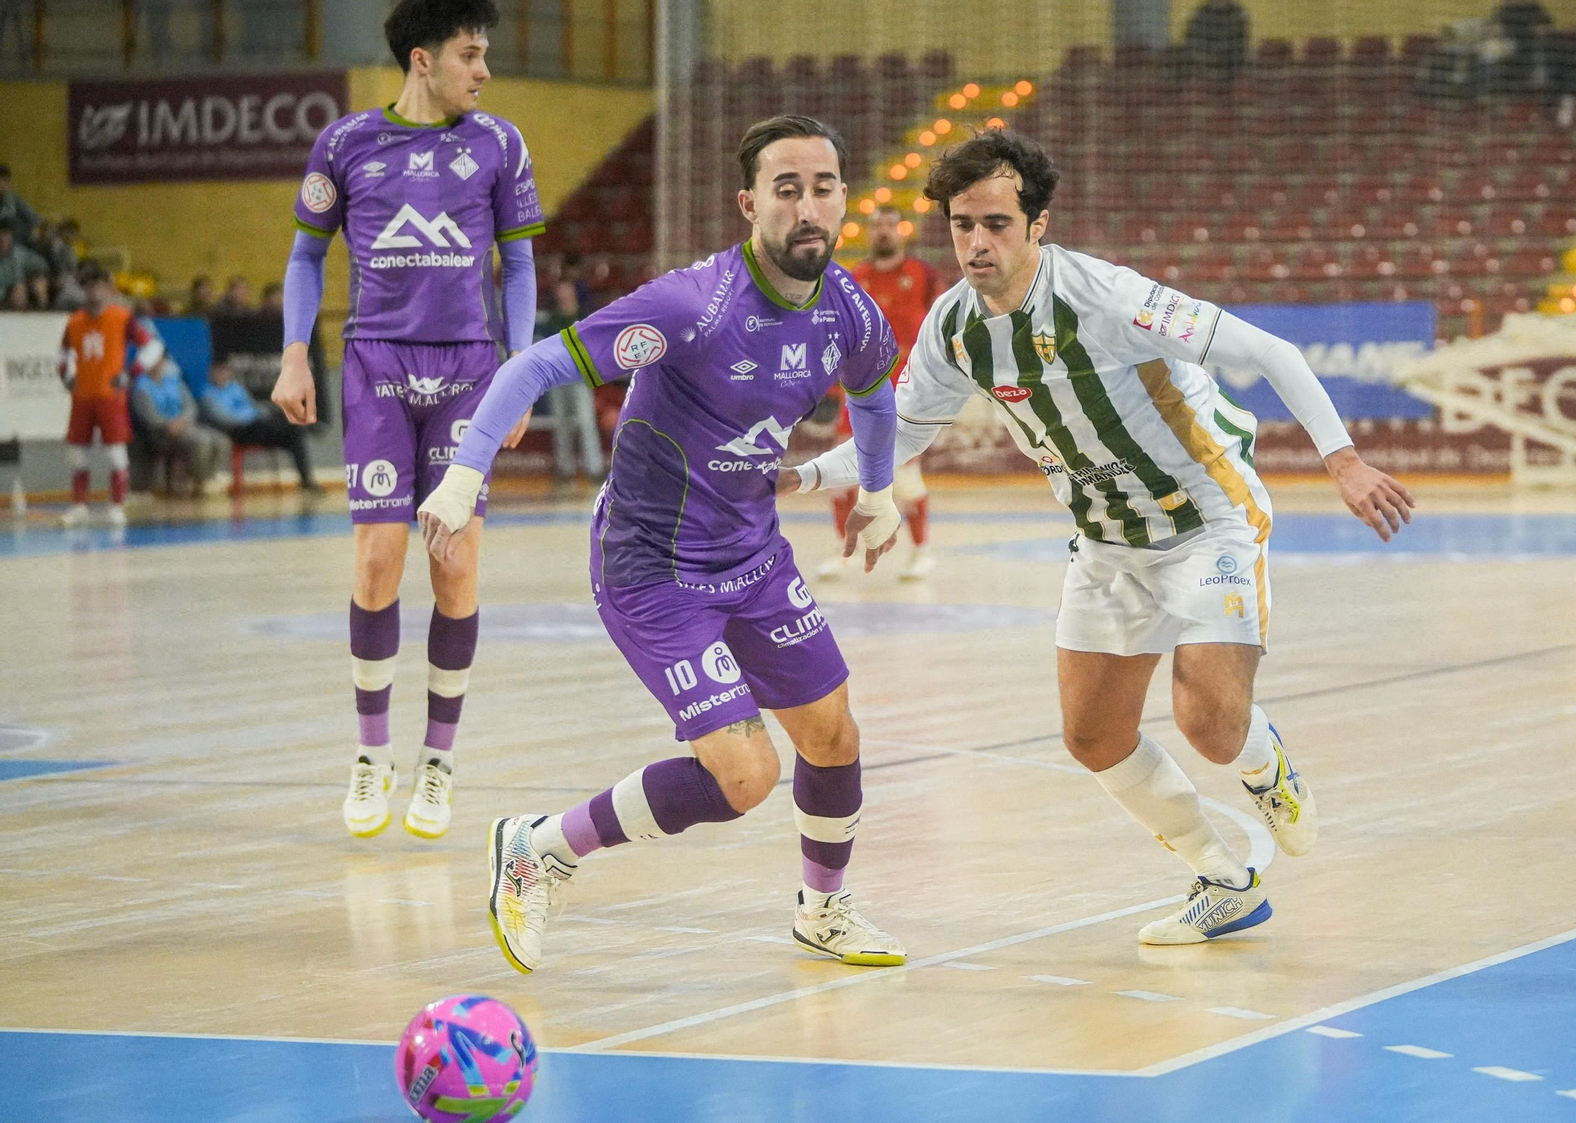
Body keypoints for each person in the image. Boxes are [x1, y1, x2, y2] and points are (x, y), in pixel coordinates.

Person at [789, 129, 1415, 945]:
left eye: (997, 224)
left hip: (1205, 518)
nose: (977, 242)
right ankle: (1223, 879)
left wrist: (1342, 460)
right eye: (961, 224)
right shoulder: (953, 328)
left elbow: (1269, 349)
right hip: (1105, 538)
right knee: (1092, 735)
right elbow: (897, 436)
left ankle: (1266, 766)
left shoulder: (1109, 298)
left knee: (1210, 724)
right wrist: (794, 477)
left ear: (1038, 223)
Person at [416, 114, 907, 974]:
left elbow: (872, 396)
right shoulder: (694, 305)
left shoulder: (849, 312)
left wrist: (876, 488)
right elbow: (533, 367)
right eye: (786, 190)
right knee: (745, 777)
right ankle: (541, 847)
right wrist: (463, 478)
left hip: (752, 552)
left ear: (843, 200)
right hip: (652, 565)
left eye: (823, 188)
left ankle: (823, 912)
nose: (807, 208)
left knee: (833, 735)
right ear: (749, 203)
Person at [271, 0, 545, 840]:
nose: (484, 71)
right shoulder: (347, 143)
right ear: (423, 60)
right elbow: (306, 254)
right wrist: (292, 351)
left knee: (455, 563)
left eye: (486, 55)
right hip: (375, 364)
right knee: (379, 557)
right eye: (471, 54)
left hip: (468, 369)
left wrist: (521, 373)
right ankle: (370, 753)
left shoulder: (499, 144)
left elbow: (520, 261)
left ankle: (439, 760)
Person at [820, 205, 948, 581]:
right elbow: (838, 337)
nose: (883, 233)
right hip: (857, 395)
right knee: (841, 479)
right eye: (876, 226)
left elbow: (939, 332)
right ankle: (844, 554)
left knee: (905, 482)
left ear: (901, 231)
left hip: (905, 396)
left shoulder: (923, 276)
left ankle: (922, 553)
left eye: (890, 226)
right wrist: (829, 389)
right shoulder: (854, 278)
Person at [58, 262, 156, 527]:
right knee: (77, 454)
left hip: (110, 398)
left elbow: (153, 347)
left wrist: (130, 373)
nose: (93, 292)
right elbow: (63, 354)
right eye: (88, 286)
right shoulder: (74, 322)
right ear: (83, 290)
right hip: (82, 397)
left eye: (98, 286)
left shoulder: (122, 318)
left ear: (107, 289)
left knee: (115, 454)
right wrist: (65, 375)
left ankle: (116, 507)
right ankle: (79, 507)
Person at [200, 361, 319, 491]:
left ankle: (306, 480)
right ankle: (303, 427)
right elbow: (223, 419)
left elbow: (253, 406)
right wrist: (249, 416)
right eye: (218, 372)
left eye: (225, 371)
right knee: (285, 428)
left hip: (257, 426)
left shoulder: (235, 388)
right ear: (211, 373)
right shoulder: (208, 394)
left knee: (294, 435)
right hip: (238, 430)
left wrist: (264, 412)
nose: (222, 375)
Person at [532, 278, 604, 483]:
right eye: (561, 291)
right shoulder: (552, 321)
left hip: (580, 376)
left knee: (586, 422)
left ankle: (595, 467)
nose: (564, 295)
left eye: (567, 290)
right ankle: (565, 469)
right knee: (562, 424)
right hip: (558, 379)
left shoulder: (584, 316)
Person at [132, 352, 229, 494]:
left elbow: (191, 407)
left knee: (221, 440)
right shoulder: (141, 387)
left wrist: (183, 421)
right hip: (160, 433)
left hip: (185, 426)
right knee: (201, 442)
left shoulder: (175, 381)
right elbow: (149, 417)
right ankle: (200, 482)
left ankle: (211, 478)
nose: (158, 364)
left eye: (161, 360)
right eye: (154, 361)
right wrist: (168, 424)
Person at [0, 224, 48, 310]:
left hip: (13, 292)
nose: (3, 239)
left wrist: (32, 279)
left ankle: (41, 314)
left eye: (5, 236)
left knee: (32, 285)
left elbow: (41, 264)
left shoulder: (19, 254)